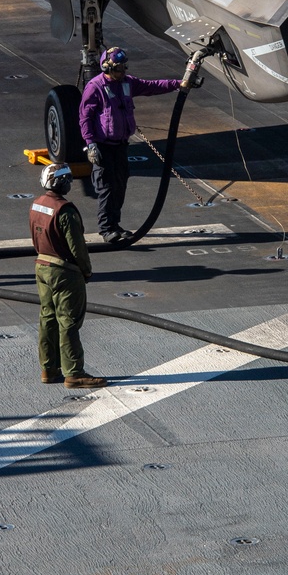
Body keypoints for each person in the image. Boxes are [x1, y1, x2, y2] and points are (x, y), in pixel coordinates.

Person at [79, 47, 181, 243]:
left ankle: (115, 225)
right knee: (106, 187)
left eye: (124, 68)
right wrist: (90, 144)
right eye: (119, 69)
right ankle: (107, 229)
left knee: (120, 186)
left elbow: (152, 86)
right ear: (107, 68)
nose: (123, 72)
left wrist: (178, 84)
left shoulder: (127, 83)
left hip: (120, 146)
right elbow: (85, 118)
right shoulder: (95, 87)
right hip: (103, 146)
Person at [30, 162, 106, 389]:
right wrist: (86, 270)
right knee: (68, 321)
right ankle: (74, 373)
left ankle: (48, 368)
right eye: (69, 180)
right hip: (65, 271)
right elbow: (77, 247)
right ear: (62, 183)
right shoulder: (66, 210)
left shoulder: (36, 204)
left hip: (42, 265)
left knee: (47, 317)